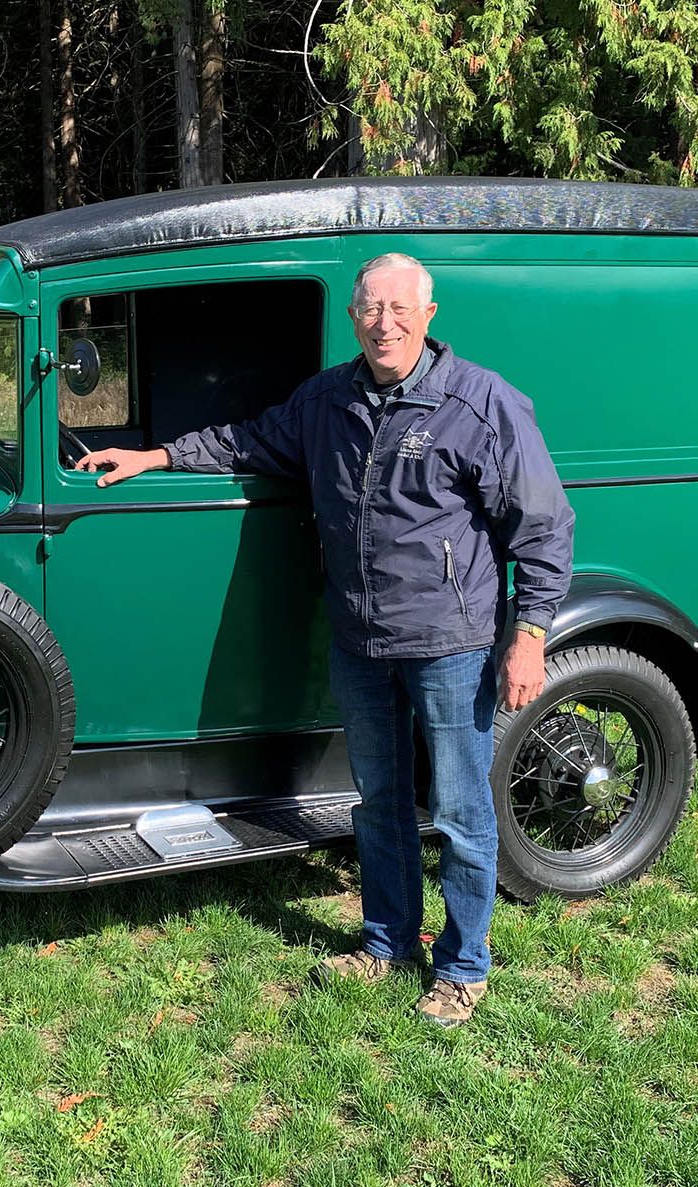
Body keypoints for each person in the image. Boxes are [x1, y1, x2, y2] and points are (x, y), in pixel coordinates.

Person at [75, 253, 575, 1026]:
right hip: (360, 643)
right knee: (377, 800)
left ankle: (465, 966)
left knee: (460, 808)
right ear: (353, 317)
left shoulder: (480, 404)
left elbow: (541, 525)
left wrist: (531, 632)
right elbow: (246, 439)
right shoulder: (327, 401)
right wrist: (158, 454)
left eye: (400, 309)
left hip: (451, 642)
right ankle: (386, 943)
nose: (385, 323)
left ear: (429, 315)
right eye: (371, 309)